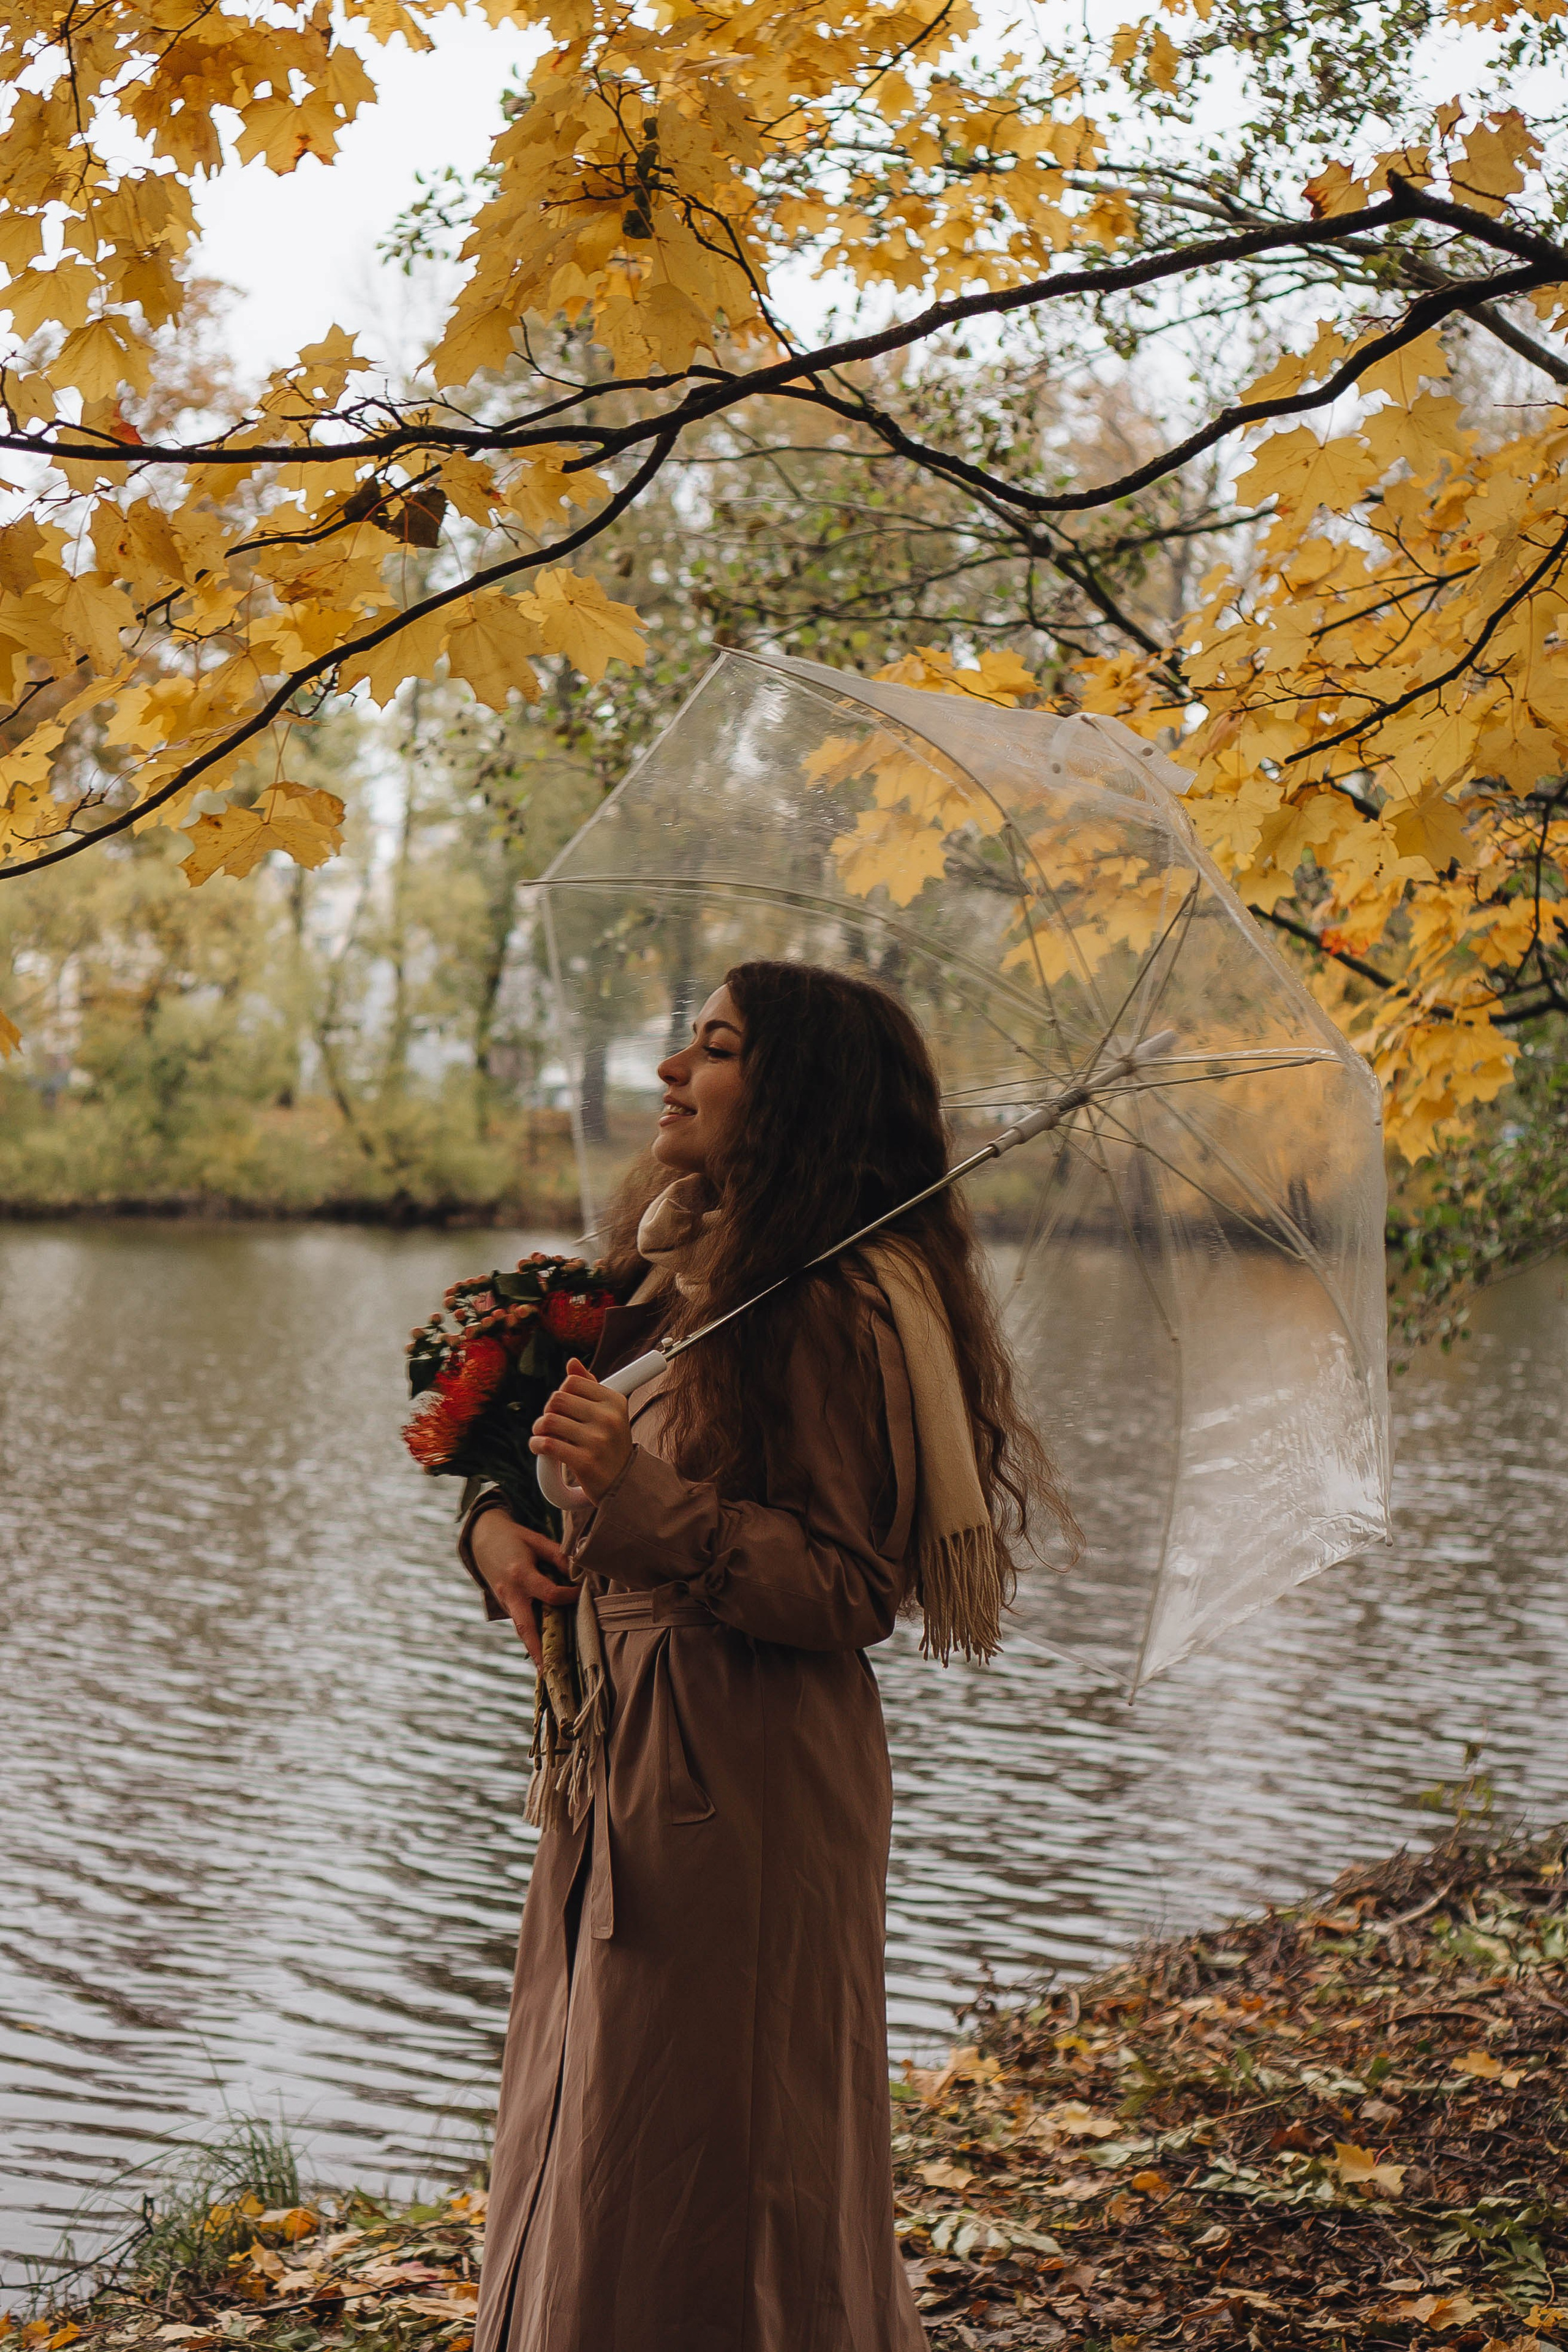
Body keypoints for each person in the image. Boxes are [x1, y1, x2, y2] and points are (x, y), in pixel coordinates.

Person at [460, 959, 1072, 2352]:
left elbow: (854, 1585)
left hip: (741, 1785)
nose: (673, 1070)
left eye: (715, 1047)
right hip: (622, 1761)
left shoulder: (837, 1306)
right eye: (684, 1042)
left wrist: (641, 1502)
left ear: (791, 1093)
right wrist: (497, 1531)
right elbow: (539, 1456)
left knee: (717, 2157)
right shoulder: (679, 1269)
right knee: (593, 2117)